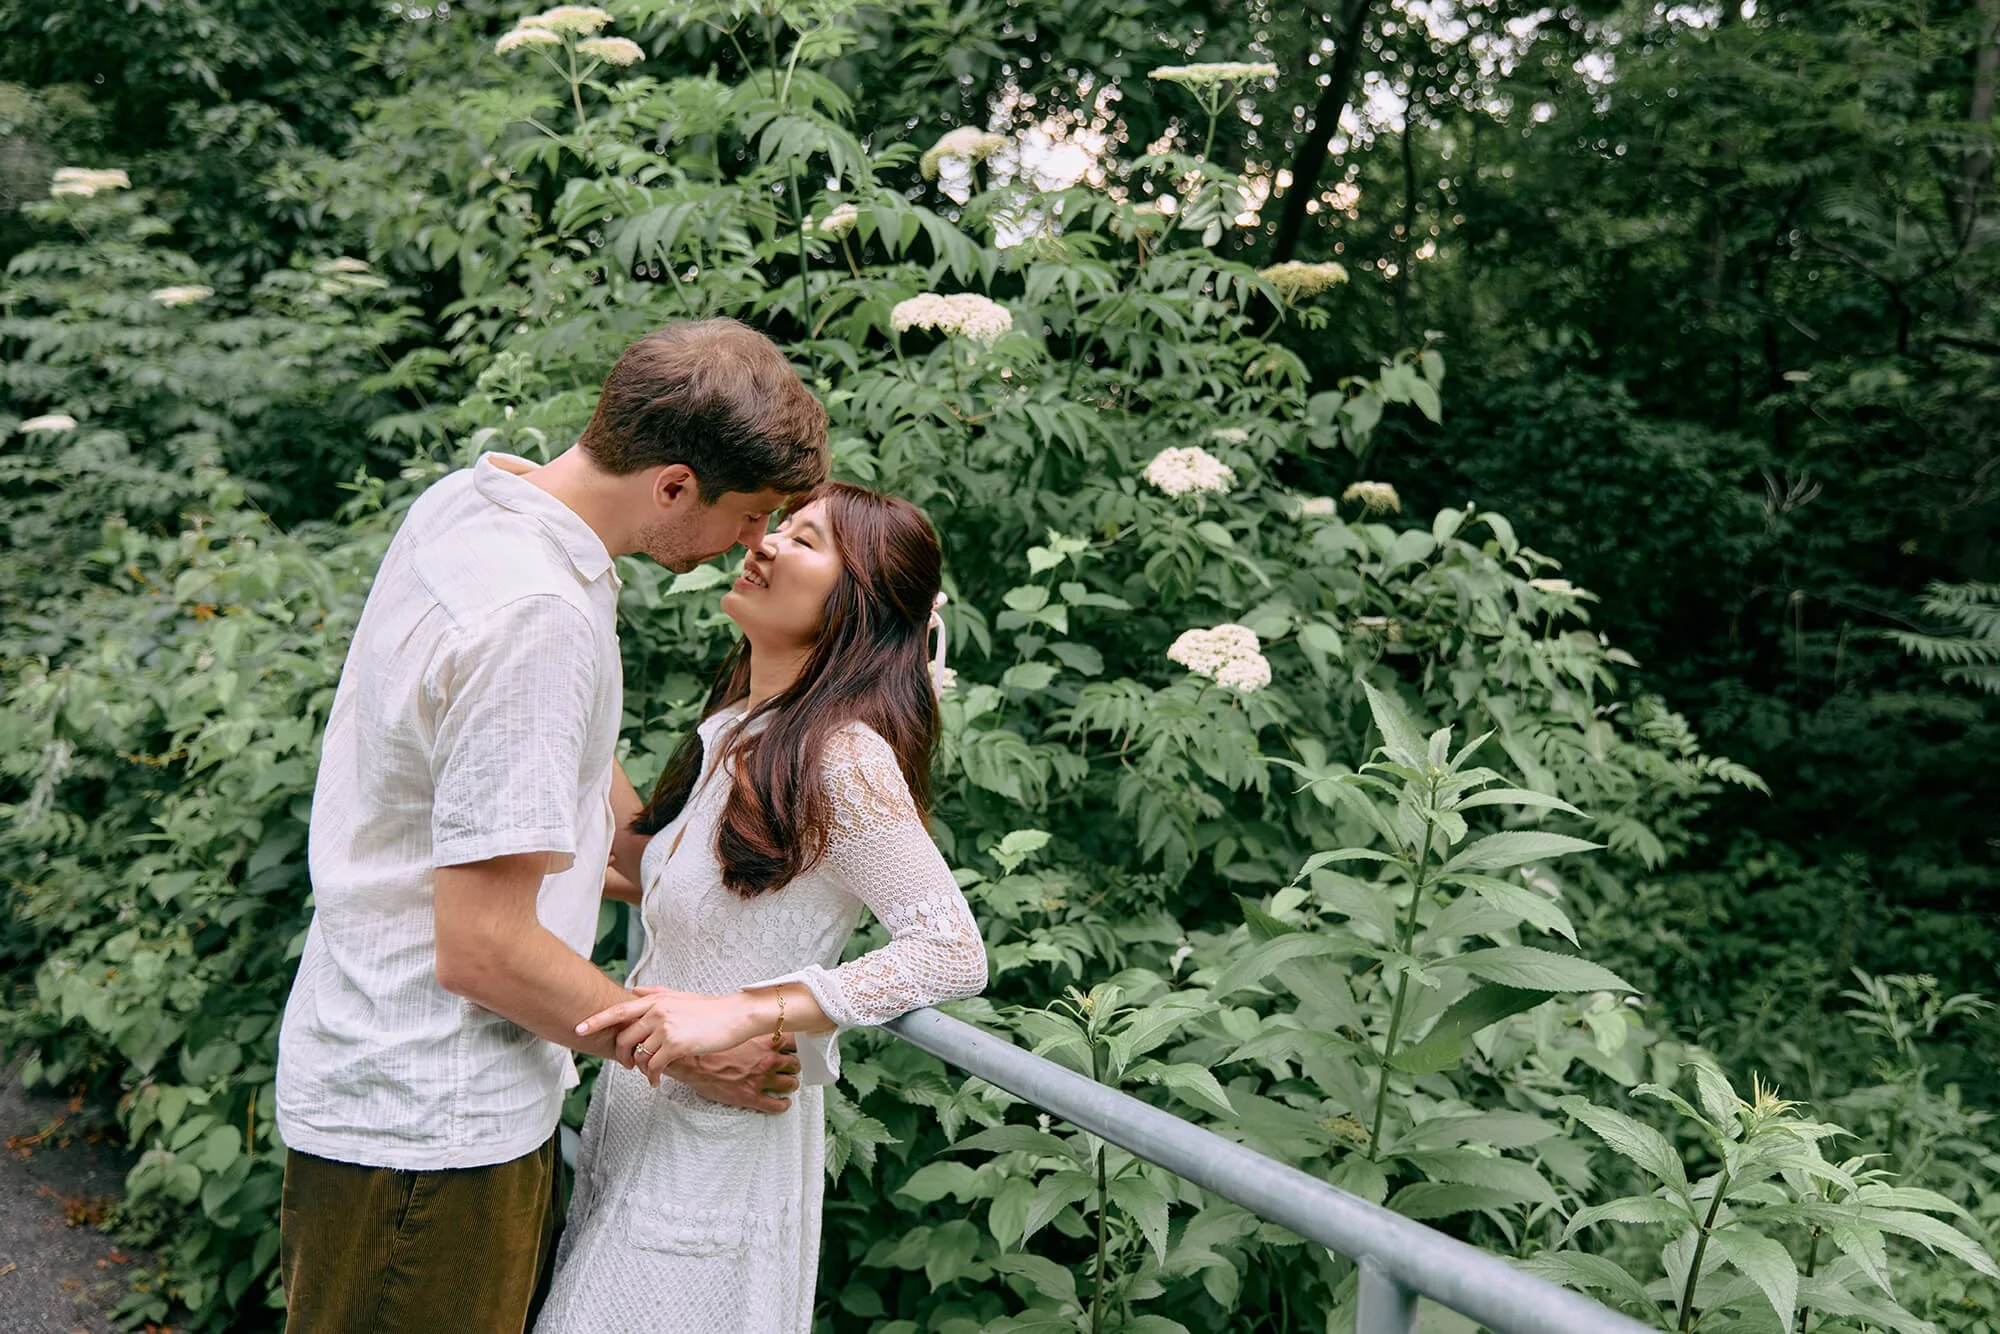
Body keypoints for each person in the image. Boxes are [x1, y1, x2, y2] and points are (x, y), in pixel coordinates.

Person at [274, 319, 830, 1334]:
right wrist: (684, 1045)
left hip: (385, 1080)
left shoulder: (475, 508)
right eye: (748, 515)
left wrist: (669, 863)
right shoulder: (537, 617)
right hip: (431, 1121)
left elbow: (549, 767)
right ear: (671, 484)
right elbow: (483, 945)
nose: (751, 545)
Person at [532, 483, 988, 1334]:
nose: (767, 544)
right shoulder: (740, 730)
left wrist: (747, 1013)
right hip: (640, 1118)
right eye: (780, 527)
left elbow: (951, 949)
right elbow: (645, 868)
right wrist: (572, 687)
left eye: (806, 540)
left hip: (727, 1144)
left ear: (859, 605)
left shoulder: (843, 757)